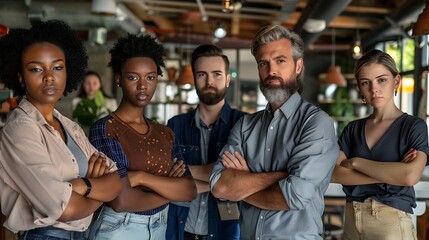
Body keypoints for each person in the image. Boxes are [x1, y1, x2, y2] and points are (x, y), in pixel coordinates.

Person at [209, 25, 339, 239]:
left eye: (280, 61)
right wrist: (282, 177)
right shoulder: (245, 125)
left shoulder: (316, 123)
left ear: (298, 66)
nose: (271, 71)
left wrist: (244, 182)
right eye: (264, 63)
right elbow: (220, 187)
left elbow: (295, 196)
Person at [0, 20, 122, 240]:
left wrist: (80, 188)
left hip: (81, 234)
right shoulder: (19, 130)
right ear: (20, 77)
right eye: (36, 69)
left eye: (57, 67)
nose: (49, 76)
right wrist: (94, 189)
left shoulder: (68, 125)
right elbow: (64, 209)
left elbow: (116, 180)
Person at [87, 33, 197, 240]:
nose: (143, 85)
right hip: (118, 228)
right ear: (119, 79)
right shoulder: (105, 129)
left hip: (160, 227)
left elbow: (189, 190)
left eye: (150, 77)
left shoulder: (165, 133)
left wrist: (140, 177)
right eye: (133, 77)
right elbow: (121, 200)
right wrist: (169, 189)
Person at [331, 49, 429, 240]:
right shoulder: (352, 129)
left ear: (396, 81)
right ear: (360, 88)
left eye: (381, 80)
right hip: (351, 222)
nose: (374, 89)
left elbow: (409, 176)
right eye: (365, 83)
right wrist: (392, 174)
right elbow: (334, 174)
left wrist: (356, 162)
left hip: (390, 223)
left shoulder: (413, 126)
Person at [166, 44, 245, 240]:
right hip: (179, 229)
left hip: (225, 232)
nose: (209, 81)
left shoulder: (244, 124)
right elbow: (166, 177)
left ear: (227, 80)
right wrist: (222, 180)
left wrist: (184, 174)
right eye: (202, 74)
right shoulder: (175, 125)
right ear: (194, 79)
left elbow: (244, 179)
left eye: (217, 74)